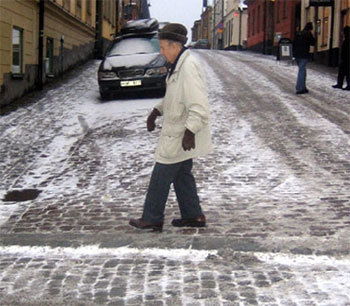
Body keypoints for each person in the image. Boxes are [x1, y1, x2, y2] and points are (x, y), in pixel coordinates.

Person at [129, 23, 213, 232]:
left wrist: (190, 131)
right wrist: (156, 111)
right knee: (182, 174)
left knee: (161, 173)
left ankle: (152, 218)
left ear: (175, 46)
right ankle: (193, 215)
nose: (161, 51)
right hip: (178, 130)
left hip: (180, 133)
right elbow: (175, 98)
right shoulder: (179, 65)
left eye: (163, 47)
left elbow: (199, 105)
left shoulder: (188, 67)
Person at [293, 22, 315, 94]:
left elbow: (294, 43)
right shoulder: (308, 34)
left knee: (302, 70)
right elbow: (313, 43)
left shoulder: (299, 33)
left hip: (297, 54)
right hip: (304, 54)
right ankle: (299, 88)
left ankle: (303, 87)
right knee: (302, 71)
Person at [332, 26, 350, 91]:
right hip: (346, 59)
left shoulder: (347, 40)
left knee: (343, 72)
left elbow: (345, 50)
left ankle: (341, 84)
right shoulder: (346, 39)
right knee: (346, 73)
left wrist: (343, 58)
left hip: (346, 59)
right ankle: (342, 84)